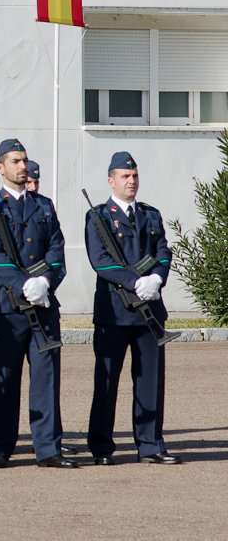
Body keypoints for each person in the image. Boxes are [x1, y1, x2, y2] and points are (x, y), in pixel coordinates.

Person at [0, 140, 75, 469]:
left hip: (44, 303)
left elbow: (57, 251)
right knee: (5, 377)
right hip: (8, 307)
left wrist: (45, 282)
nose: (22, 166)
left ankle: (48, 448)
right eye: (15, 161)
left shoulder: (44, 206)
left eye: (25, 160)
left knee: (46, 377)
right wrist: (23, 285)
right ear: (0, 167)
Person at [85, 152, 178, 465]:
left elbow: (163, 251)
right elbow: (101, 262)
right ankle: (101, 447)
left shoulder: (151, 215)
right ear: (111, 181)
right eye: (125, 177)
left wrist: (157, 279)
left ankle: (150, 444)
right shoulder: (98, 216)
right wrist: (135, 282)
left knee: (150, 380)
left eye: (135, 176)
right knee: (107, 381)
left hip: (149, 310)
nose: (132, 181)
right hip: (115, 309)